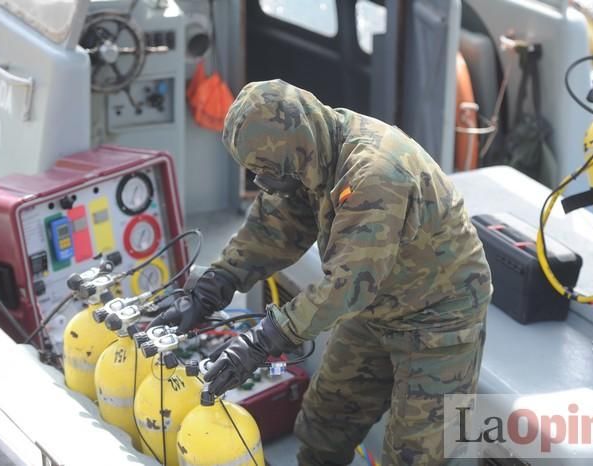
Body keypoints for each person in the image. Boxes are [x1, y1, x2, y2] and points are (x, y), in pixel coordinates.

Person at [154, 79, 492, 465]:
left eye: (267, 173)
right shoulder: (308, 157)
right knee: (324, 420)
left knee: (414, 456)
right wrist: (211, 288)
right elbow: (273, 228)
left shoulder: (374, 174)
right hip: (376, 307)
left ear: (298, 153)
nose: (262, 183)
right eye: (254, 173)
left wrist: (261, 341)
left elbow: (348, 286)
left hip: (438, 319)